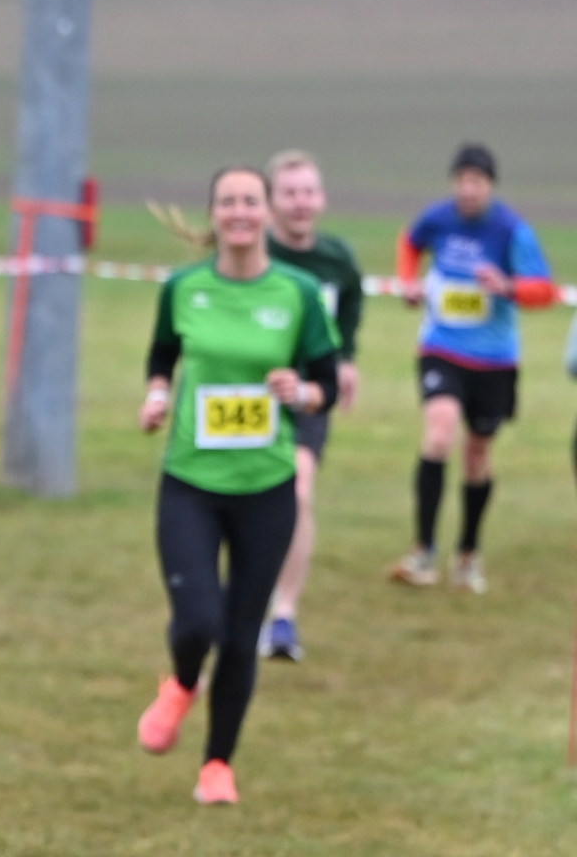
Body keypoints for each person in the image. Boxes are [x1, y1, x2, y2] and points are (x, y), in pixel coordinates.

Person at [134, 164, 339, 807]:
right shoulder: (183, 288)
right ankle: (181, 682)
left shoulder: (298, 292)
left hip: (266, 486)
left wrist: (300, 391)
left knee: (243, 629)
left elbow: (327, 385)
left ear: (268, 212)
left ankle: (217, 765)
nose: (241, 212)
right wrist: (157, 395)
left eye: (252, 201)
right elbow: (162, 356)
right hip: (191, 481)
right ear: (214, 213)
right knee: (199, 619)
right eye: (229, 202)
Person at [388, 141, 555, 593]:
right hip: (442, 347)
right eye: (461, 180)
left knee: (477, 453)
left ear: (490, 185)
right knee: (439, 432)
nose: (467, 189)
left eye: (476, 181)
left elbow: (544, 291)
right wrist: (408, 282)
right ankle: (423, 551)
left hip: (494, 359)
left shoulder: (511, 231)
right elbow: (409, 242)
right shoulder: (437, 218)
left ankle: (467, 553)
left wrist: (508, 286)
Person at [258, 148, 363, 663]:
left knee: (297, 492)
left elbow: (351, 307)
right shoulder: (255, 253)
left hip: (307, 396)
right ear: (270, 202)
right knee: (243, 500)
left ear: (321, 199)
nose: (300, 203)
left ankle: (283, 616)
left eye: (308, 192)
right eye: (289, 193)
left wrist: (346, 360)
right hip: (249, 395)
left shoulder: (337, 260)